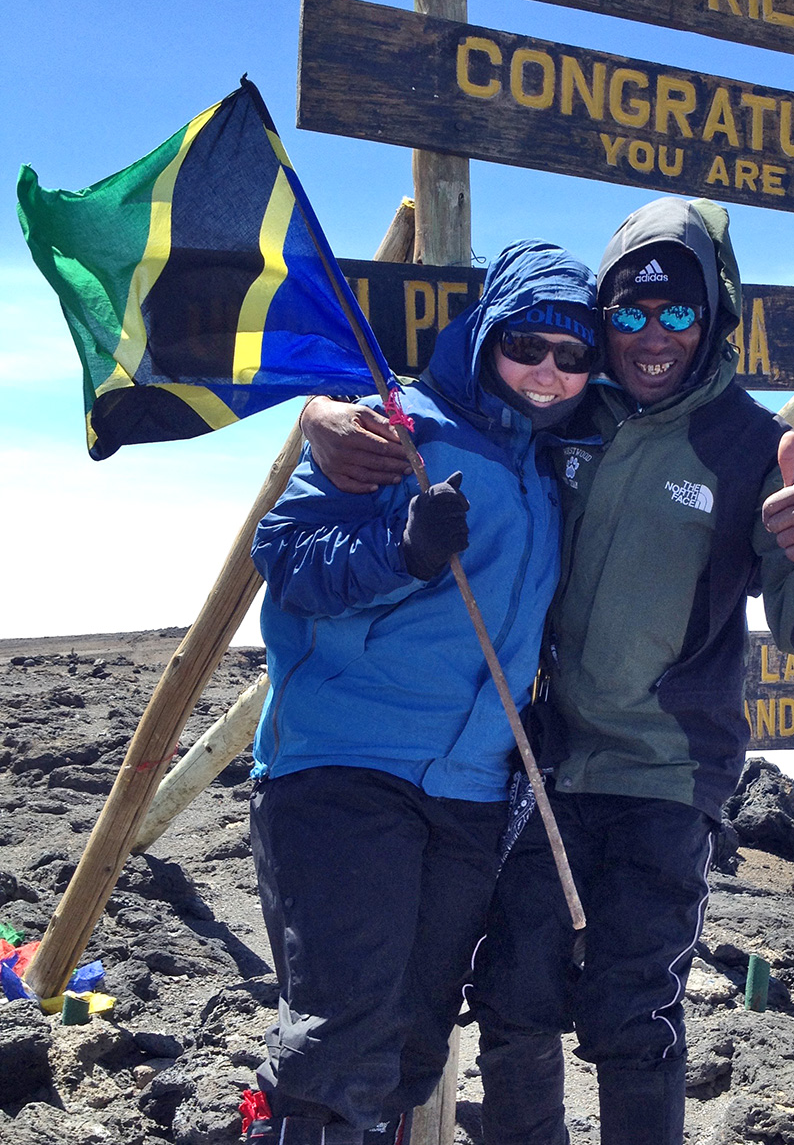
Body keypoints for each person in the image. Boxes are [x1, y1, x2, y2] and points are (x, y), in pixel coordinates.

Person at [302, 198, 794, 1145]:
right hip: (545, 763)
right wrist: (321, 414)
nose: (650, 337)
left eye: (677, 314)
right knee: (514, 1000)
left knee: (631, 1016)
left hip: (664, 772)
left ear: (716, 318)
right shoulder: (571, 406)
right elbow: (455, 402)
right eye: (627, 314)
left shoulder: (750, 444)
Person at [241, 240, 599, 1145]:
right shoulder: (401, 427)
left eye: (573, 355)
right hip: (347, 765)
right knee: (340, 1036)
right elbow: (283, 557)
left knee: (411, 1042)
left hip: (470, 791)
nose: (550, 373)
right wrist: (399, 551)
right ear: (486, 337)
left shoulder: (556, 459)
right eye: (528, 345)